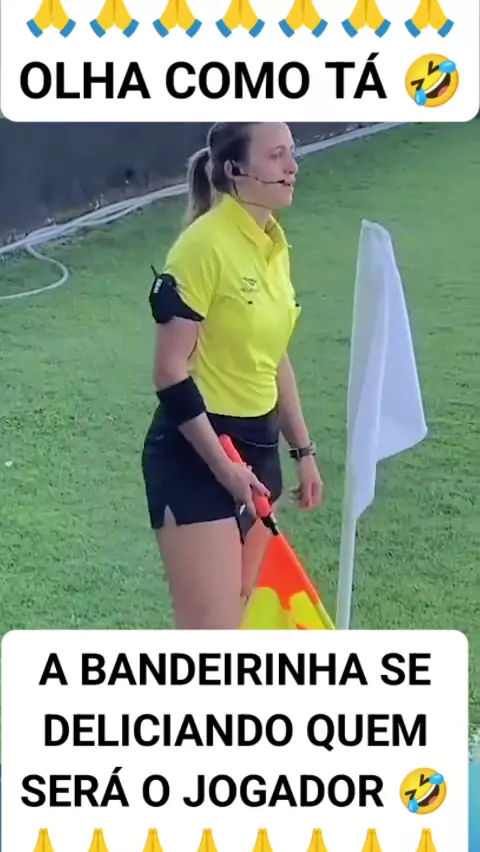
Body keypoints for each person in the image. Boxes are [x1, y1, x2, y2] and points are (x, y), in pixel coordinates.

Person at [142, 121, 324, 630]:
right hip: (199, 458)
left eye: (292, 153)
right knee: (211, 633)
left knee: (240, 620)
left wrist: (303, 452)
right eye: (276, 156)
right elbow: (169, 371)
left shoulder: (273, 244)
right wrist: (225, 469)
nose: (292, 167)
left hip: (258, 455)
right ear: (235, 169)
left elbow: (274, 355)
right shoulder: (202, 247)